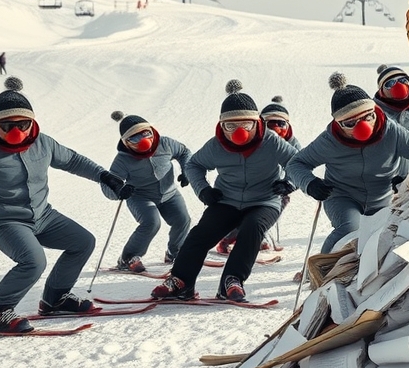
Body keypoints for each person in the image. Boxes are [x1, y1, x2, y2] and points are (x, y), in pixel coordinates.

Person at [0, 77, 132, 332]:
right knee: (33, 261)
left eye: (23, 124)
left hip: (44, 216)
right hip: (5, 222)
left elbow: (73, 161)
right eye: (6, 125)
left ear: (32, 122)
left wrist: (105, 176)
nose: (16, 131)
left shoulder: (43, 143)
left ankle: (55, 299)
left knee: (83, 242)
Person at [150, 81, 298, 303]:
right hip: (226, 199)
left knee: (252, 228)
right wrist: (203, 190)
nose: (239, 132)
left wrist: (290, 183)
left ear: (257, 122)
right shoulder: (216, 146)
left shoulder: (271, 142)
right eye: (230, 126)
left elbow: (297, 162)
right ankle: (180, 281)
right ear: (221, 125)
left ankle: (232, 280)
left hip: (264, 201)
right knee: (201, 233)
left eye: (246, 124)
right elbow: (194, 165)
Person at [287, 72, 409, 253]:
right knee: (351, 228)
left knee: (388, 236)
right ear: (339, 123)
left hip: (383, 199)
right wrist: (310, 183)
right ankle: (322, 266)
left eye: (368, 117)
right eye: (350, 123)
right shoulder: (329, 141)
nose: (363, 127)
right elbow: (296, 164)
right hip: (343, 196)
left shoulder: (390, 131)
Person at [104, 110, 192, 272]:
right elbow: (108, 185)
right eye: (134, 138)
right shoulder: (123, 159)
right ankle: (128, 258)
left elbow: (184, 152)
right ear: (126, 143)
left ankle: (175, 252)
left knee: (182, 219)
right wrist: (119, 189)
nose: (143, 141)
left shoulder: (165, 144)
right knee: (151, 222)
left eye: (146, 134)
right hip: (140, 197)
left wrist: (186, 170)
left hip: (169, 194)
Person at [216, 95, 301, 254]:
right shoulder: (257, 140)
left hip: (277, 186)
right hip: (254, 184)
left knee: (275, 207)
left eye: (281, 123)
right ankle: (231, 236)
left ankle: (256, 235)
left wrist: (289, 184)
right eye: (269, 123)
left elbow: (300, 166)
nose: (276, 128)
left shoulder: (292, 143)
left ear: (288, 124)